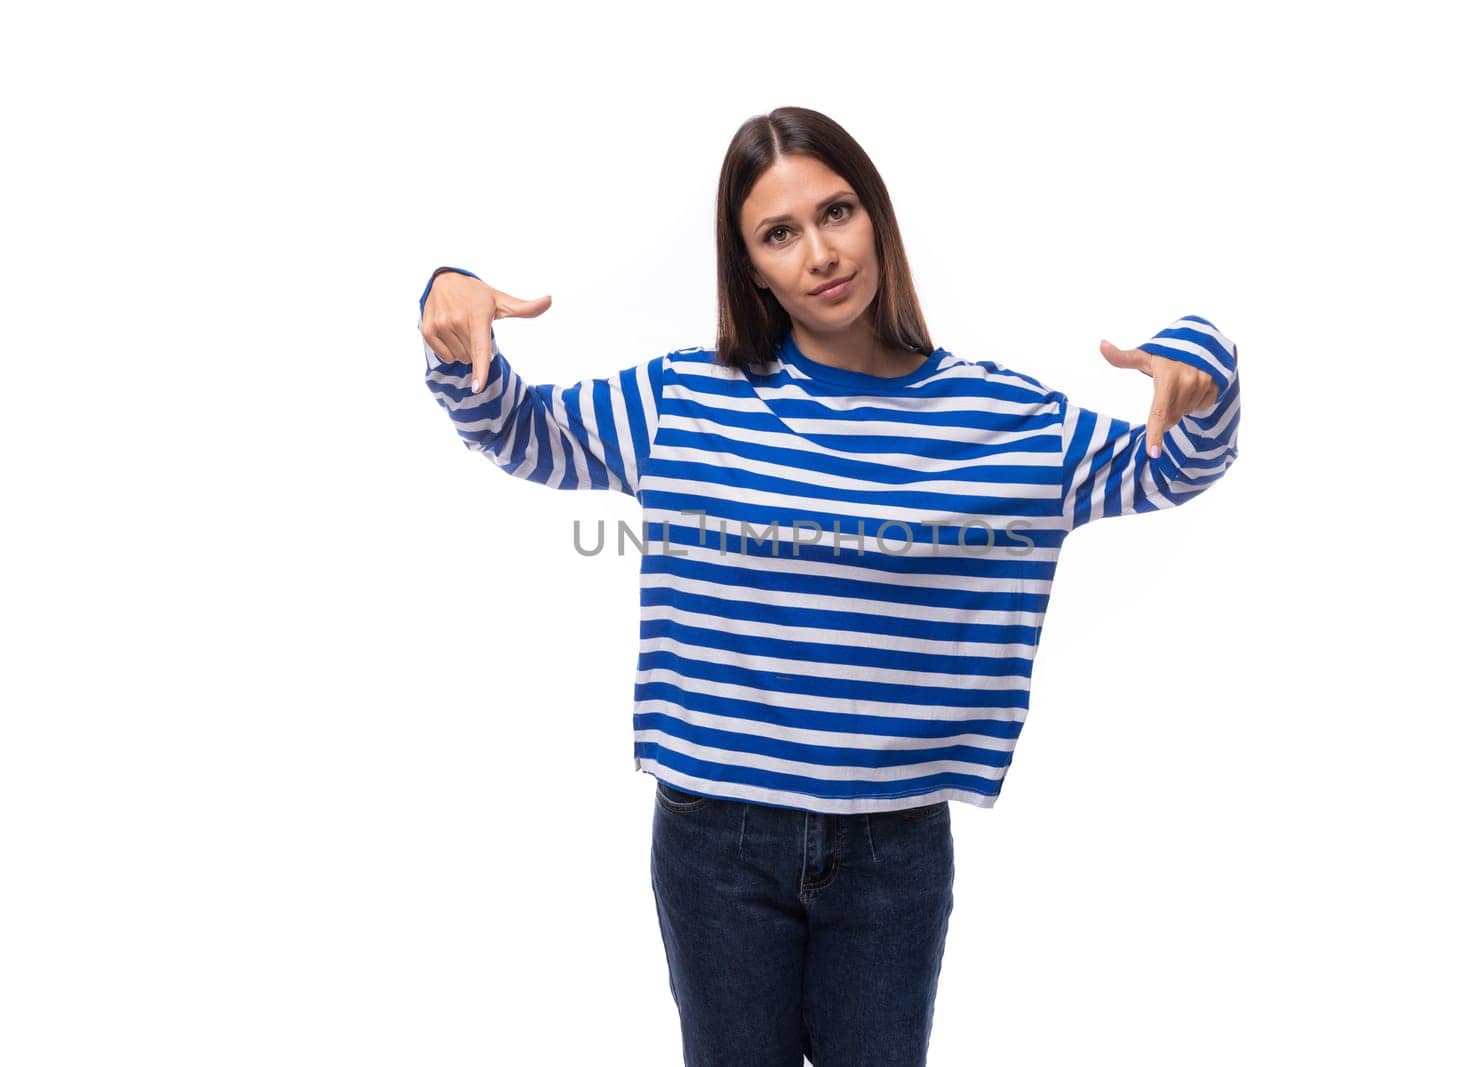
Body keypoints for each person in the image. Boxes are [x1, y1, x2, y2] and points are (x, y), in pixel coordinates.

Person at [416, 106, 1240, 1067]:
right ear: (750, 265)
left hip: (895, 849)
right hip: (713, 838)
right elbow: (522, 431)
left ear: (876, 215)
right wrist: (449, 311)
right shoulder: (683, 398)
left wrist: (1205, 359)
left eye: (837, 211)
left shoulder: (1004, 418)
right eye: (779, 233)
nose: (820, 253)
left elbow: (1172, 465)